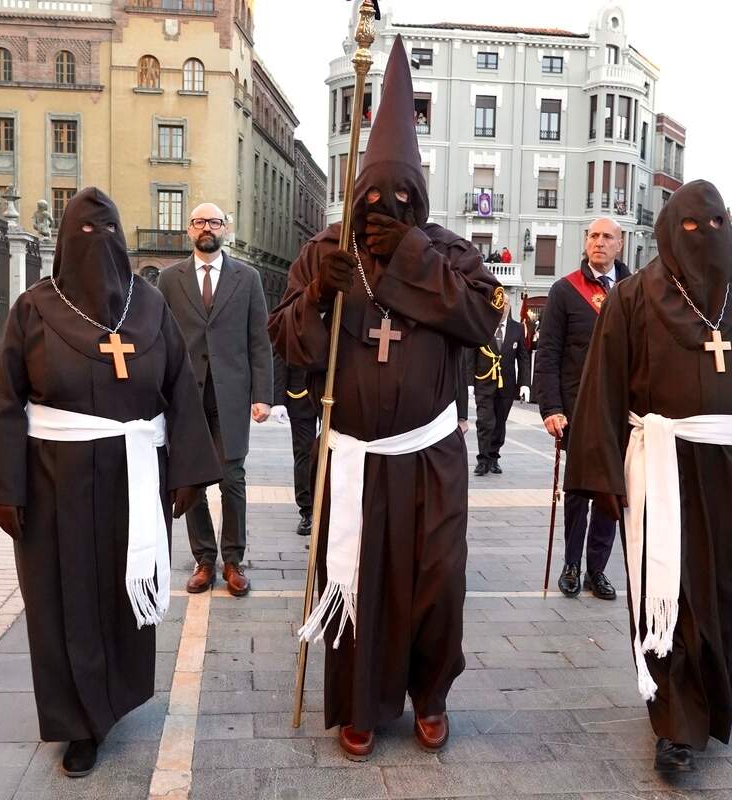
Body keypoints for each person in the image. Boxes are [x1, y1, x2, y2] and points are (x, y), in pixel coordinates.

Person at [268, 36, 502, 761]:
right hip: (354, 458)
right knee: (355, 579)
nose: (383, 210)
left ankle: (430, 697)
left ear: (420, 201)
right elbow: (287, 340)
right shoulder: (325, 250)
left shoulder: (449, 253)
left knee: (437, 578)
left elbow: (481, 319)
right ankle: (361, 704)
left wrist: (410, 254)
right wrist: (318, 292)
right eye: (371, 198)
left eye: (400, 200)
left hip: (430, 456)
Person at [0, 188, 220, 777]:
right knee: (64, 599)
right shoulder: (33, 308)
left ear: (121, 242)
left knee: (121, 596)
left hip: (137, 477)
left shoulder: (148, 305)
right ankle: (78, 723)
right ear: (62, 243)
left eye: (106, 234)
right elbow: (3, 398)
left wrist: (188, 473)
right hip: (56, 483)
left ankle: (116, 698)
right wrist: (4, 488)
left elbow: (180, 389)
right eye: (83, 234)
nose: (95, 246)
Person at [565, 180, 732, 773]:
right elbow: (602, 386)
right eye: (689, 227)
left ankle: (710, 692)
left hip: (731, 469)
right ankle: (675, 720)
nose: (704, 236)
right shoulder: (634, 297)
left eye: (715, 225)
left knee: (721, 586)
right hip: (662, 463)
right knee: (669, 587)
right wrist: (602, 477)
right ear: (666, 233)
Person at [157, 203, 274, 596]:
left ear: (226, 228)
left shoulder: (248, 278)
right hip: (185, 397)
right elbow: (160, 338)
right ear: (189, 230)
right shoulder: (169, 280)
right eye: (199, 222)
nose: (206, 227)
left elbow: (259, 341)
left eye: (214, 222)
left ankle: (233, 561)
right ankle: (204, 560)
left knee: (232, 477)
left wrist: (263, 396)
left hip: (232, 397)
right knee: (192, 479)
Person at [534, 217, 632, 601]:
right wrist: (551, 407)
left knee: (611, 491)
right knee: (577, 492)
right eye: (594, 236)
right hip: (577, 410)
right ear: (586, 241)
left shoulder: (633, 290)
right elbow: (548, 353)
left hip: (620, 412)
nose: (599, 242)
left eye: (608, 237)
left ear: (620, 244)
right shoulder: (565, 290)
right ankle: (571, 565)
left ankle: (597, 569)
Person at [470, 294, 531, 475]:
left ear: (509, 306)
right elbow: (470, 355)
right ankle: (482, 460)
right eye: (499, 303)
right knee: (484, 421)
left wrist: (525, 384)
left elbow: (523, 359)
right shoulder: (482, 326)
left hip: (506, 385)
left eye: (505, 304)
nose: (502, 307)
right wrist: (469, 382)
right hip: (484, 382)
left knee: (499, 423)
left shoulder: (517, 328)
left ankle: (494, 457)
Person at [271, 352, 318, 536]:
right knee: (304, 453)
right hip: (301, 391)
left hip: (335, 391)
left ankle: (330, 506)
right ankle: (308, 510)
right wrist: (278, 400)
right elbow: (281, 353)